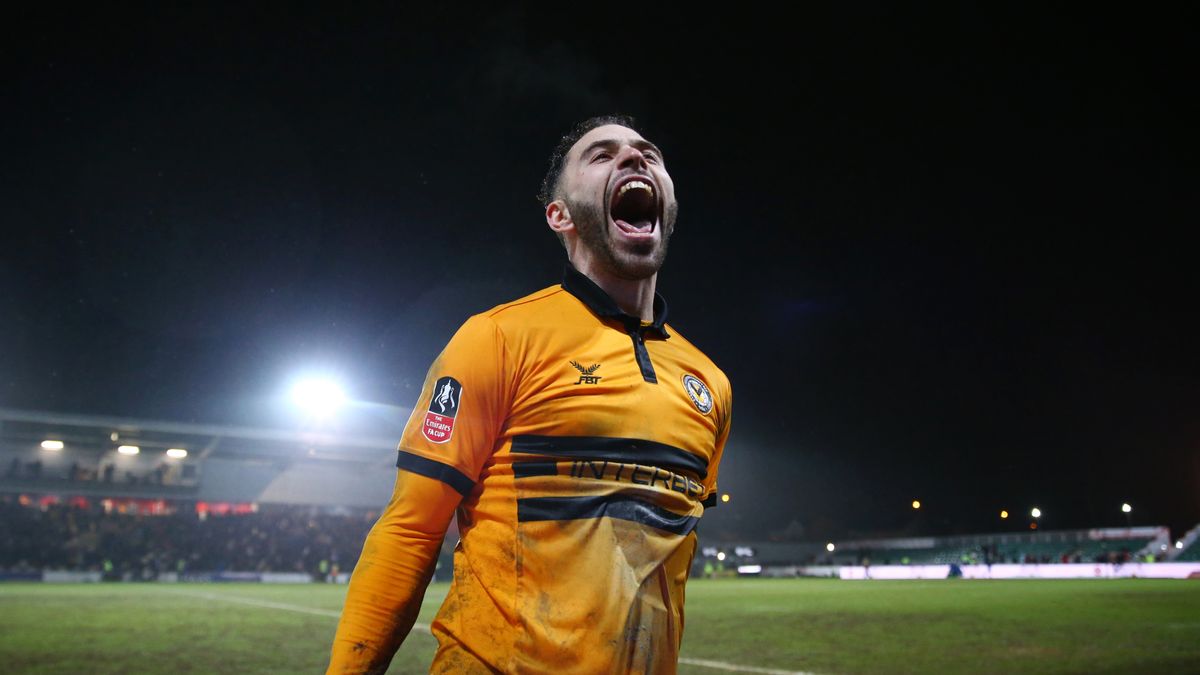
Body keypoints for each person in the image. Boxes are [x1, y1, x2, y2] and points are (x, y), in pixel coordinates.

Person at [327, 115, 732, 674]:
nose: (635, 159)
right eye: (601, 155)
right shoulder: (496, 338)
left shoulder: (709, 383)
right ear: (559, 215)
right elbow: (411, 530)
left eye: (649, 153)